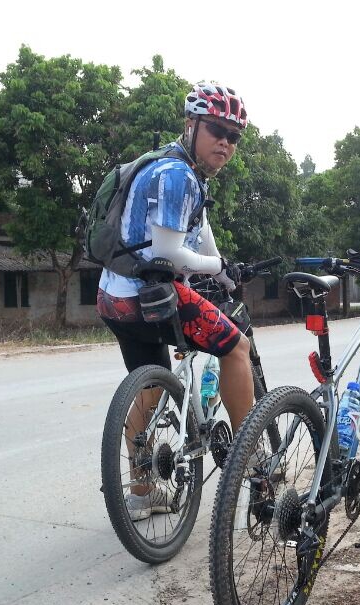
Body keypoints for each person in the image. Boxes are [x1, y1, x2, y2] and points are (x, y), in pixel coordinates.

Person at [96, 81, 252, 520]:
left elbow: (198, 229)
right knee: (237, 348)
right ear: (191, 124)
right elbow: (168, 253)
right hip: (150, 297)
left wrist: (220, 271)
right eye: (217, 130)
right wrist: (215, 266)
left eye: (234, 136)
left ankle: (141, 494)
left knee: (149, 386)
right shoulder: (179, 176)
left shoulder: (166, 162)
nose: (225, 143)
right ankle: (250, 460)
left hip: (113, 296)